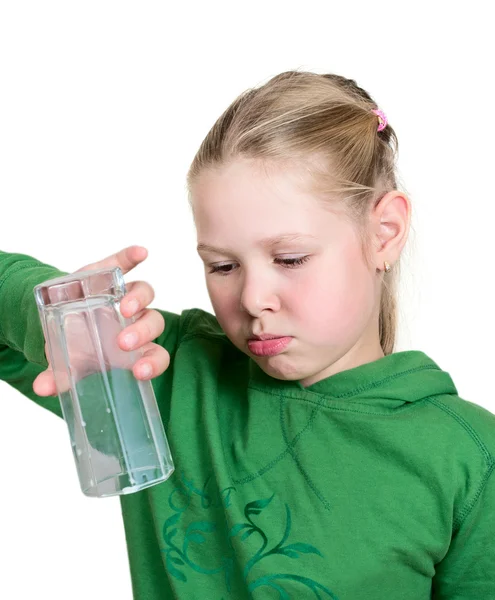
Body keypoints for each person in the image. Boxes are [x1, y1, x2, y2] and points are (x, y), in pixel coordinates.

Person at [1, 70, 494, 599]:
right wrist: (61, 323)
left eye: (290, 258)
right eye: (222, 266)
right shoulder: (157, 370)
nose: (253, 297)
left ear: (384, 233)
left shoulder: (466, 458)